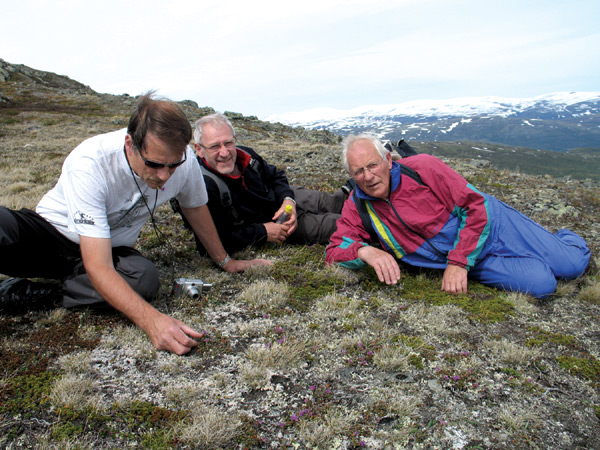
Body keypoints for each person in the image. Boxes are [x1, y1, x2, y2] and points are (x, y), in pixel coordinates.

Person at [0, 93, 269, 355]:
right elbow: (98, 265)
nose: (164, 175)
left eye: (172, 165)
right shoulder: (91, 162)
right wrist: (153, 322)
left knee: (144, 280)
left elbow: (195, 207)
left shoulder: (185, 162)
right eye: (154, 164)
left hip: (111, 248)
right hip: (50, 235)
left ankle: (35, 293)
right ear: (130, 144)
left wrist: (225, 261)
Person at [325, 133, 591, 298]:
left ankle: (565, 238)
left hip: (496, 225)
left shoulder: (421, 168)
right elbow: (335, 250)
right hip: (473, 261)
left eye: (373, 165)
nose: (368, 176)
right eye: (358, 171)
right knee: (543, 285)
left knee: (571, 266)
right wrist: (365, 252)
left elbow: (475, 206)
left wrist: (459, 263)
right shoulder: (358, 204)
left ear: (388, 160)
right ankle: (543, 250)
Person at [173, 113, 347, 255]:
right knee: (338, 225)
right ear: (199, 149)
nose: (225, 153)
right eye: (214, 147)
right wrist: (263, 232)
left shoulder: (247, 156)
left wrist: (288, 200)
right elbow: (212, 242)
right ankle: (371, 223)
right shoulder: (203, 186)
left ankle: (370, 196)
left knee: (337, 201)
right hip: (277, 225)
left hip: (284, 200)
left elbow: (276, 176)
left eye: (228, 143)